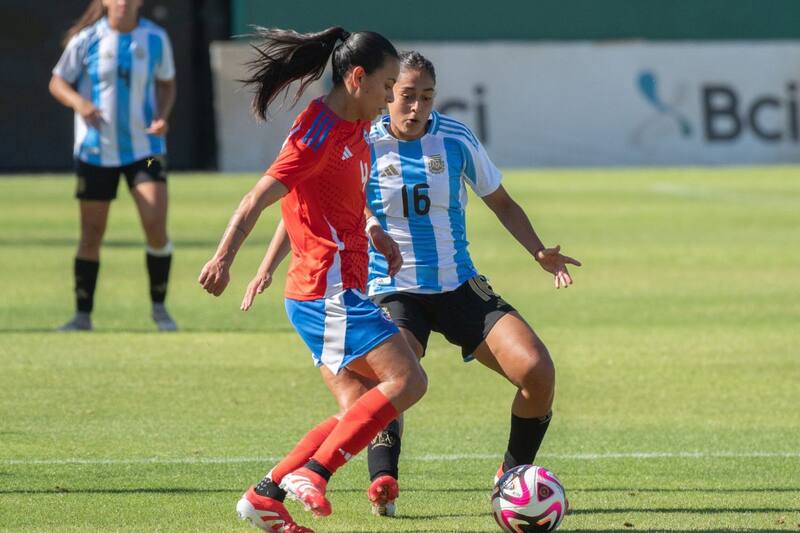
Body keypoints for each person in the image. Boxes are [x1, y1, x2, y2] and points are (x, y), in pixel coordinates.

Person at [242, 51, 581, 518]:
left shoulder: (455, 138)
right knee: (393, 378)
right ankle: (383, 477)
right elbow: (304, 204)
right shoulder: (361, 139)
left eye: (426, 97)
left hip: (457, 284)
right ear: (386, 92)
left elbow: (501, 202)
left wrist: (538, 251)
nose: (416, 107)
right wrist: (267, 264)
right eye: (405, 95)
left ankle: (512, 476)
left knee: (537, 371)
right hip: (390, 289)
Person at [198, 27, 427, 532]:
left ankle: (266, 495)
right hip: (326, 291)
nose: (392, 97)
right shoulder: (315, 132)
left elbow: (330, 195)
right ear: (358, 77)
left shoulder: (356, 126)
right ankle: (315, 474)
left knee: (358, 411)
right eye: (388, 85)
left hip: (331, 289)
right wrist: (225, 258)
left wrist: (372, 228)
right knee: (409, 381)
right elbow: (260, 197)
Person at [49, 0, 177, 332]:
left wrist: (163, 115)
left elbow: (167, 83)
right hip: (96, 151)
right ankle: (82, 316)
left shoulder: (155, 38)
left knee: (155, 224)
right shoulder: (87, 38)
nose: (122, 2)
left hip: (145, 150)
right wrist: (80, 103)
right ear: (105, 2)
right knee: (91, 233)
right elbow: (58, 82)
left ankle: (160, 309)